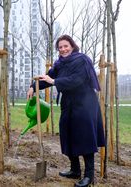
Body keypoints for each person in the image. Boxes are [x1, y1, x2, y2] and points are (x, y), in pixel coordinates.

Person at [27, 35, 105, 187]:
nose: (63, 49)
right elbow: (47, 77)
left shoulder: (81, 60)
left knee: (85, 137)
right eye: (60, 47)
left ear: (72, 46)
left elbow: (78, 80)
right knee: (68, 133)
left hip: (85, 103)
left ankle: (89, 176)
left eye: (65, 46)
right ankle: (75, 169)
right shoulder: (60, 64)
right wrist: (33, 87)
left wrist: (55, 82)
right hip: (68, 103)